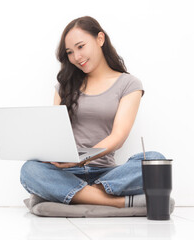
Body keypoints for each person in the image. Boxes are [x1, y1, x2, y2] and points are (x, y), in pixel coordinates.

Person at [20, 16, 166, 208]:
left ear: (100, 39)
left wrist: (82, 160)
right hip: (67, 172)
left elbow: (118, 137)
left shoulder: (129, 84)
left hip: (107, 173)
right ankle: (118, 202)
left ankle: (73, 194)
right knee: (29, 170)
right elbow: (54, 134)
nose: (76, 57)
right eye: (70, 52)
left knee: (156, 161)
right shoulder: (63, 86)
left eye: (81, 46)